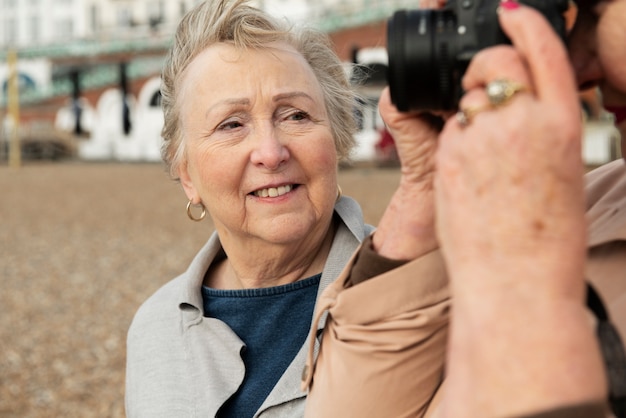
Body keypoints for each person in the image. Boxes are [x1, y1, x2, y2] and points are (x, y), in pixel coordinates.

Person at [302, 0, 626, 417]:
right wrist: (425, 194)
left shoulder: (548, 218)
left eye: (596, 16)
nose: (577, 67)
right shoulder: (588, 204)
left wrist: (529, 281)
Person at [124, 0, 381, 416]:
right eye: (231, 124)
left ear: (336, 138)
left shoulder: (416, 287)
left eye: (295, 115)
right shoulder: (155, 329)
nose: (270, 152)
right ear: (186, 173)